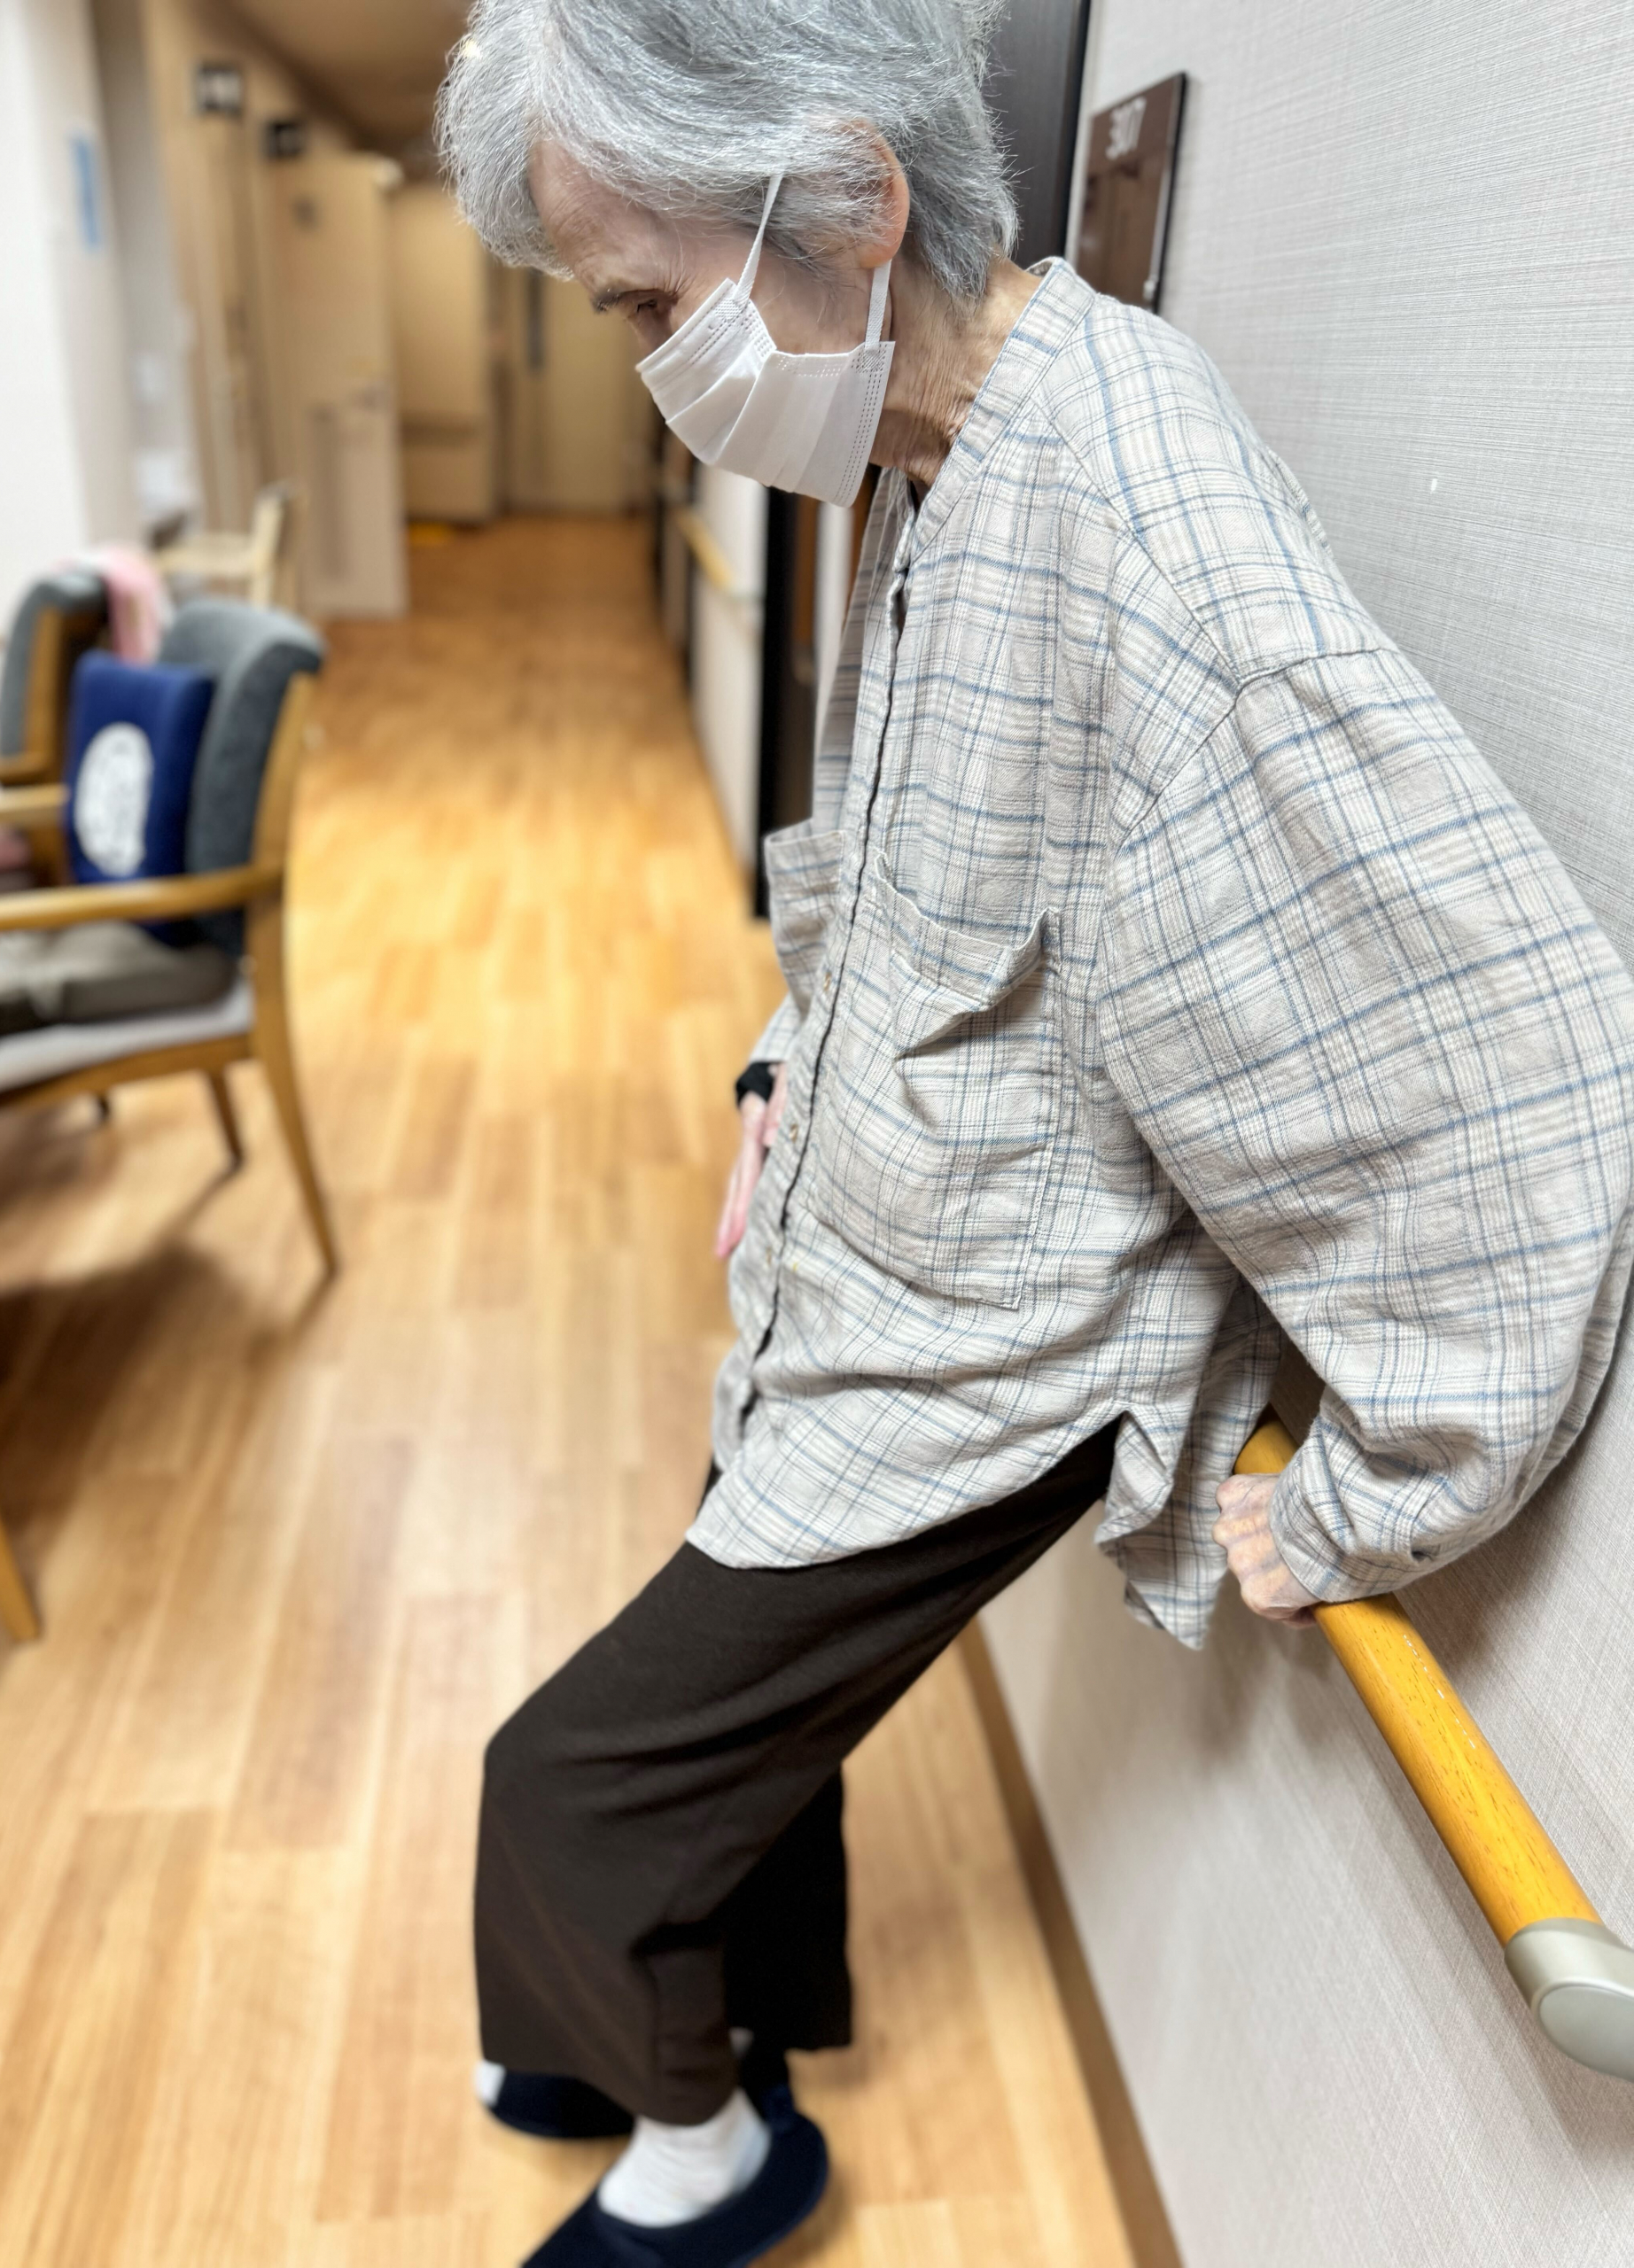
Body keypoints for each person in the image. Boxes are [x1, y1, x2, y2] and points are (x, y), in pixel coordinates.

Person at [438, 3, 1634, 2260]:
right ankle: (709, 2001)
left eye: (642, 301)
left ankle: (711, 2155)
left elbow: (1521, 1071)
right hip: (871, 1245)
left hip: (996, 1340)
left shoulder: (1144, 535)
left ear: (849, 202)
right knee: (717, 1717)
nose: (645, 365)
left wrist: (1382, 1489)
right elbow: (915, 873)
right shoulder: (931, 445)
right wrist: (784, 1069)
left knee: (567, 1790)